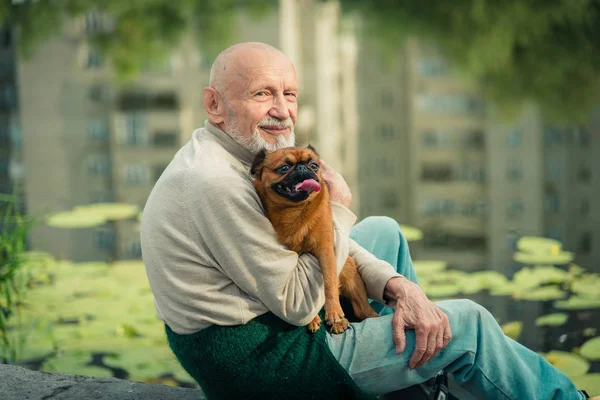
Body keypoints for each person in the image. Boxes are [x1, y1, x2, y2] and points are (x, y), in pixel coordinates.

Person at [140, 42, 593, 400]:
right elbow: (298, 304)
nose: (282, 109)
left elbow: (325, 245)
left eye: (289, 94)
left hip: (269, 322)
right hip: (259, 359)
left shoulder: (248, 156)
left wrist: (401, 288)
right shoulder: (216, 182)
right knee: (468, 324)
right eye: (262, 94)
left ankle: (411, 384)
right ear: (214, 104)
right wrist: (336, 205)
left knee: (384, 233)